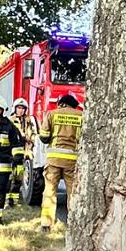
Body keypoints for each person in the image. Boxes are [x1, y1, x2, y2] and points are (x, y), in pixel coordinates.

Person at [38, 94, 83, 230]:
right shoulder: (81, 116)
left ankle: (46, 224)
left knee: (50, 191)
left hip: (54, 161)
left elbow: (44, 137)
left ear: (61, 104)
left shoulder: (52, 114)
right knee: (73, 192)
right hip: (72, 161)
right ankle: (74, 223)